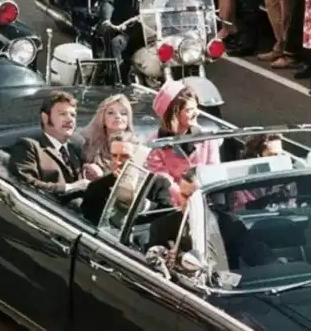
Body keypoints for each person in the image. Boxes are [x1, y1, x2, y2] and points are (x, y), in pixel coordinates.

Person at [148, 168, 277, 270]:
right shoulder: (162, 227)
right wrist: (168, 259)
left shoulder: (230, 224)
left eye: (195, 198)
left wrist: (274, 264)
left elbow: (253, 251)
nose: (189, 203)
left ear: (209, 199)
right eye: (184, 196)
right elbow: (153, 264)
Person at [146, 80, 221, 204]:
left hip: (205, 200)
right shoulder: (156, 143)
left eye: (196, 108)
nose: (196, 113)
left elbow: (213, 171)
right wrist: (185, 200)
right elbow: (163, 180)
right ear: (173, 114)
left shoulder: (207, 137)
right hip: (172, 204)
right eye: (189, 110)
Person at [81, 131, 173, 225]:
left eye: (125, 156)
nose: (117, 162)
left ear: (138, 158)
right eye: (114, 156)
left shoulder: (158, 184)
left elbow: (167, 216)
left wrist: (140, 203)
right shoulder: (96, 187)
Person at [8, 91, 89, 195]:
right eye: (62, 114)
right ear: (45, 118)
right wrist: (70, 187)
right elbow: (24, 185)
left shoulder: (75, 149)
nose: (70, 119)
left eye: (73, 115)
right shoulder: (28, 147)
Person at [80, 94, 135, 180]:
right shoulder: (87, 144)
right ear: (102, 118)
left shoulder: (136, 148)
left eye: (123, 113)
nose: (118, 116)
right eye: (111, 113)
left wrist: (102, 177)